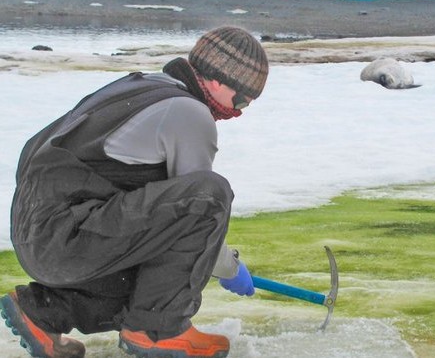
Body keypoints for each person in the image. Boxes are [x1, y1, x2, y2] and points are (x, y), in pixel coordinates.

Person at [0, 26, 269, 358]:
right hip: (67, 236)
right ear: (218, 80)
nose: (238, 111)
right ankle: (159, 331)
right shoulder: (189, 112)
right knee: (212, 195)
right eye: (241, 99)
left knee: (148, 284)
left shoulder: (145, 86)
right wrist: (230, 267)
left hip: (39, 235)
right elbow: (199, 208)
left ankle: (45, 312)